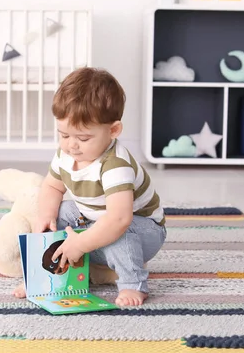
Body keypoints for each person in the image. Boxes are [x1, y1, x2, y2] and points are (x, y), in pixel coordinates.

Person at [13, 67, 167, 306]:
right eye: (64, 135)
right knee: (60, 213)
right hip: (96, 220)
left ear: (113, 131)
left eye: (83, 138)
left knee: (118, 236)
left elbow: (119, 219)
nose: (71, 145)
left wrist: (81, 243)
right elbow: (53, 187)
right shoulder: (65, 155)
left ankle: (132, 283)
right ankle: (44, 278)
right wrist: (45, 215)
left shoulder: (114, 164)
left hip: (142, 229)